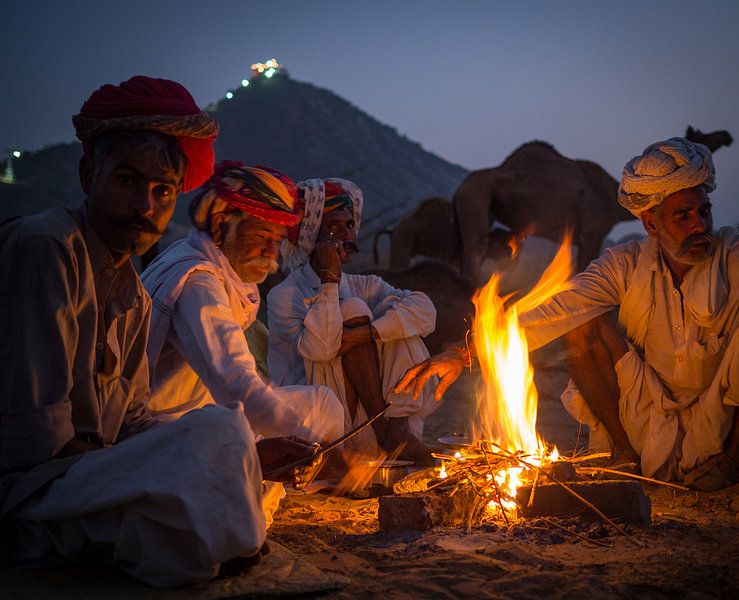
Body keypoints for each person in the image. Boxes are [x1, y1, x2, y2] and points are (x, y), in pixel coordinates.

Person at [0, 76, 318, 588]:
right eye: (127, 180)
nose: (145, 206)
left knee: (227, 441)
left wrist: (245, 454)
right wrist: (190, 461)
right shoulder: (49, 249)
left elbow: (130, 423)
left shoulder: (130, 288)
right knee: (219, 443)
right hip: (31, 491)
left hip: (90, 476)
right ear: (88, 173)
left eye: (163, 190)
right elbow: (40, 445)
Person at [396, 137, 739, 491]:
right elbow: (554, 310)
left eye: (703, 212)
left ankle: (735, 460)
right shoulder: (624, 264)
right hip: (651, 415)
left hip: (727, 415)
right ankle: (625, 453)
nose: (700, 225)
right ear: (651, 224)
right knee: (580, 322)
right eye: (683, 215)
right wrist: (461, 352)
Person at [141, 161, 344, 517]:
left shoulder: (205, 261)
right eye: (262, 237)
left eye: (276, 242)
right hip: (170, 428)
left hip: (213, 412)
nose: (272, 254)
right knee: (243, 499)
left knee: (322, 404)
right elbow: (238, 386)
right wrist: (332, 452)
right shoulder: (199, 283)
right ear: (221, 225)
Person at [267, 178, 440, 461]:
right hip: (323, 425)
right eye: (333, 227)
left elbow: (425, 311)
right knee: (352, 309)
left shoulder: (365, 284)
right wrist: (329, 280)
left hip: (369, 420)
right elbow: (321, 350)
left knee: (399, 320)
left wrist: (366, 333)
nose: (346, 235)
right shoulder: (284, 295)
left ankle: (397, 431)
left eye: (349, 225)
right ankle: (385, 433)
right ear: (311, 236)